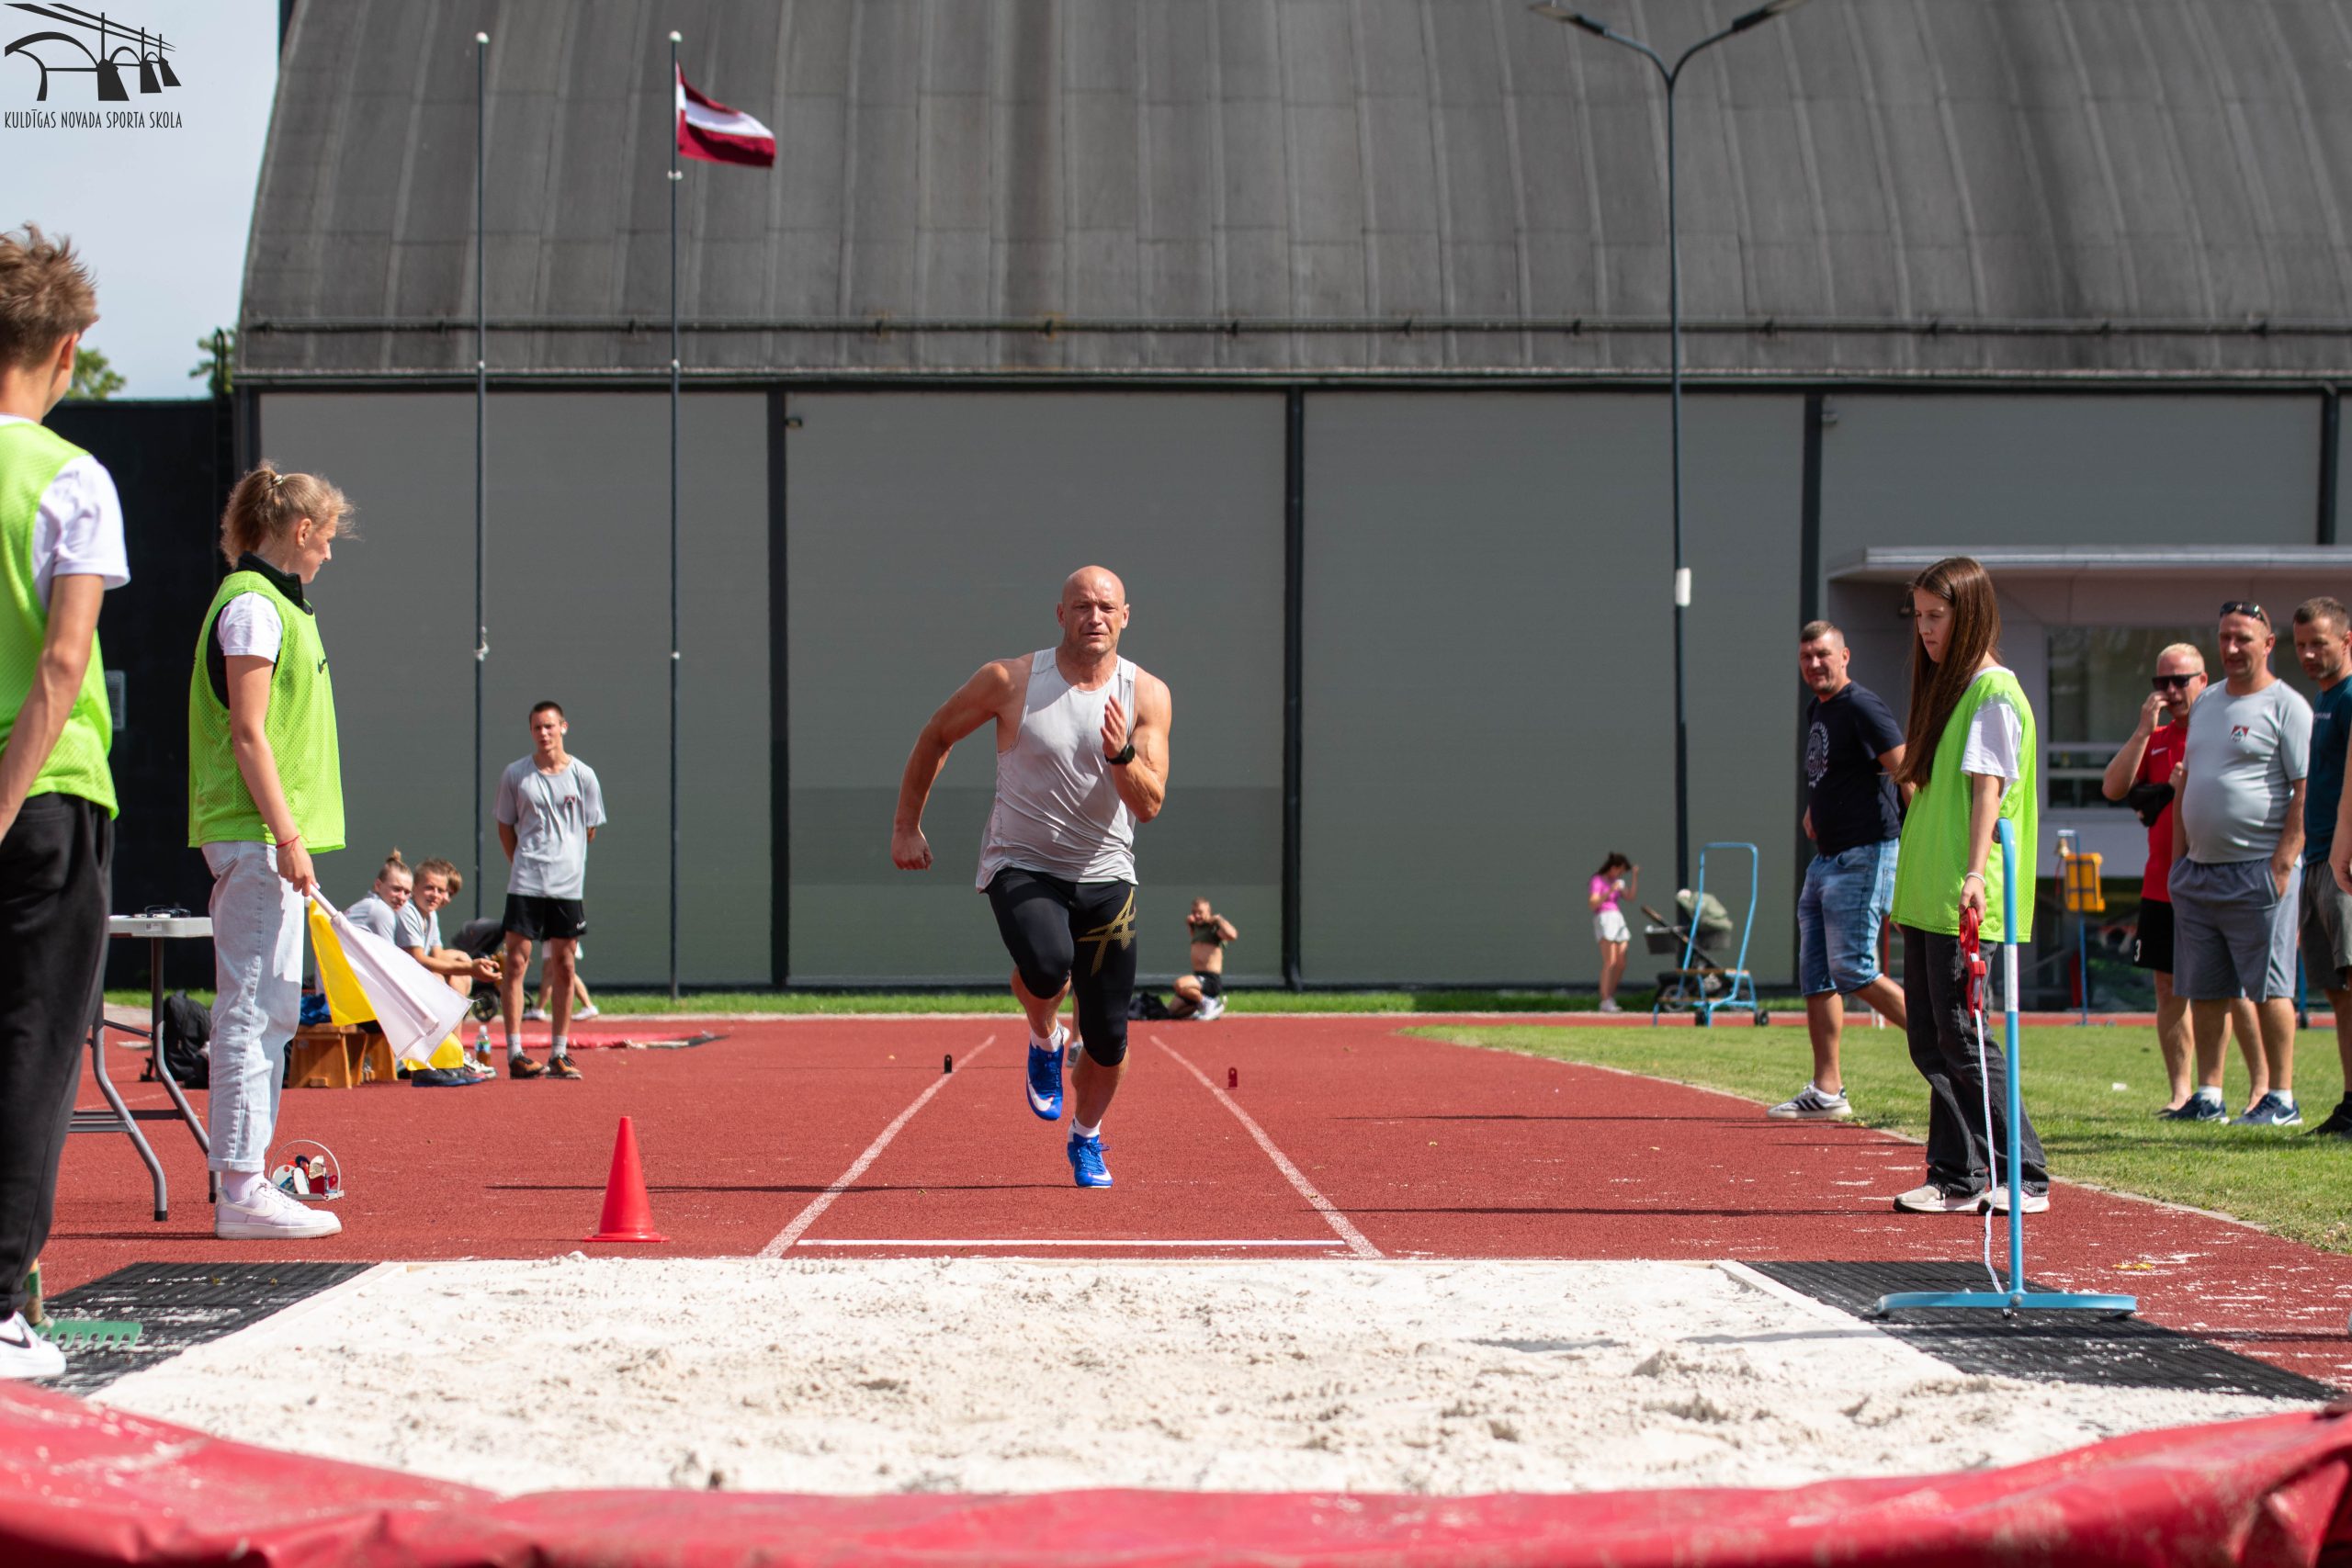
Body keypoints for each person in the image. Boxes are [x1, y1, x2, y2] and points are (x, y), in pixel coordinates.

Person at [891, 565, 1171, 1189]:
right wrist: (907, 825)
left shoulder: (1147, 694)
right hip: (1022, 862)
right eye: (1082, 606)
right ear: (1060, 614)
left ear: (1125, 617)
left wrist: (1122, 754)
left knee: (1109, 1038)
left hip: (1106, 873)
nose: (1094, 617)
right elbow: (937, 734)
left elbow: (1149, 803)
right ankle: (1045, 1035)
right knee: (1048, 963)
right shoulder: (1011, 680)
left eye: (1106, 607)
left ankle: (1086, 1135)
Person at [0, 224, 130, 1380]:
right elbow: (60, 664)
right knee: (32, 1050)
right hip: (41, 797)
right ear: (69, 348)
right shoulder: (73, 480)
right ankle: (1, 1305)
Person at [187, 461, 351, 1242]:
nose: (330, 552)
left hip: (267, 837)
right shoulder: (254, 606)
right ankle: (241, 1188)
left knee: (271, 1009)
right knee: (253, 1009)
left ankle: (245, 1179)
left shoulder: (274, 604)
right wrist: (287, 835)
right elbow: (248, 733)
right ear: (302, 529)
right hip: (257, 836)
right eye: (328, 537)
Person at [1886, 557, 2049, 1215]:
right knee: (1931, 1039)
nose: (1925, 629)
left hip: (1964, 893)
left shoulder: (1994, 693)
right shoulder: (1949, 693)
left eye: (1937, 616)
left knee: (1963, 1034)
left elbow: (1989, 790)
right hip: (1928, 892)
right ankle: (1957, 1174)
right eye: (1919, 616)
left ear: (1970, 614)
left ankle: (2025, 1174)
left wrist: (1976, 873)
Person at [2102, 644, 2260, 1116]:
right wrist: (2141, 730)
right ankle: (2182, 1092)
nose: (2170, 691)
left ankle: (2262, 1090)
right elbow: (2114, 787)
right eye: (2162, 683)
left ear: (2203, 680)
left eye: (2180, 681)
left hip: (2219, 877)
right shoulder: (2156, 738)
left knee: (2234, 988)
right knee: (2168, 987)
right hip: (2163, 883)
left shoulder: (2224, 730)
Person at [2170, 602, 2310, 1126]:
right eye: (2225, 637)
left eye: (2243, 639)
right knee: (2206, 988)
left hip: (2258, 869)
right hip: (2200, 870)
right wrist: (2179, 863)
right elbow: (2189, 783)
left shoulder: (2286, 706)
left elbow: (2305, 789)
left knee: (2270, 987)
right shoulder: (2207, 702)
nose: (2231, 648)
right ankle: (2209, 1095)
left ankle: (2282, 1097)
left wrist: (2283, 864)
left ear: (2268, 644)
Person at [1775, 621, 1909, 1121]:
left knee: (1852, 969)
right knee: (1817, 977)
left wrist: (1916, 845)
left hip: (1865, 854)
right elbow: (1831, 770)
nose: (1814, 664)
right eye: (1806, 656)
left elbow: (1906, 771)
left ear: (1845, 656)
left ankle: (1947, 1047)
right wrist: (1816, 809)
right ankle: (1827, 1090)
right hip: (1825, 860)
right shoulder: (1819, 709)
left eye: (1823, 654)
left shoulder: (1863, 706)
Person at [496, 701, 605, 1080]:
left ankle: (559, 1052)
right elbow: (505, 826)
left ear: (563, 727)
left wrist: (566, 859)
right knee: (515, 963)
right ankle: (515, 1053)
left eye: (549, 726)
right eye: (537, 727)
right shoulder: (516, 774)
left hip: (567, 887)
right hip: (525, 882)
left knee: (564, 964)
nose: (543, 733)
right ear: (531, 731)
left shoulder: (584, 776)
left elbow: (590, 829)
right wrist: (523, 863)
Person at [2295, 600, 2352, 1139]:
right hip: (2316, 857)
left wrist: (2343, 848)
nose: (2309, 654)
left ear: (2347, 641)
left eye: (2320, 643)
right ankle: (2351, 1100)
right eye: (2302, 645)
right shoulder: (2325, 698)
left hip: (2342, 858)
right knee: (2338, 990)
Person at [397, 856, 500, 1077]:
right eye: (429, 888)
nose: (437, 895)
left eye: (441, 891)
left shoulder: (430, 915)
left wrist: (468, 964)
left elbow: (438, 955)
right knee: (440, 978)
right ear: (414, 888)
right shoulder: (408, 912)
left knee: (459, 964)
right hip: (396, 983)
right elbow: (419, 959)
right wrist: (471, 968)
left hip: (409, 976)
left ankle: (455, 1052)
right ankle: (450, 1055)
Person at [1170, 898, 1235, 1021]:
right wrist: (1190, 925)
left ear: (1208, 912)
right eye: (1194, 912)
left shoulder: (1214, 928)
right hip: (1197, 978)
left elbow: (1233, 935)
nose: (1197, 915)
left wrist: (1219, 919)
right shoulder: (1197, 928)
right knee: (1172, 1012)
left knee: (1180, 984)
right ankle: (1202, 1005)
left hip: (1210, 980)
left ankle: (1211, 1004)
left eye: (1200, 912)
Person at [1589, 853, 1636, 1013]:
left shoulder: (1616, 881)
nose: (1620, 874)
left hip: (1617, 917)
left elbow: (1630, 897)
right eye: (1619, 871)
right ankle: (1605, 999)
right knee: (1610, 961)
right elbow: (1593, 903)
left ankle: (1610, 996)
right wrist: (1610, 891)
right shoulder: (1597, 880)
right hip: (1605, 917)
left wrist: (1635, 877)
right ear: (1613, 867)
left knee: (1621, 962)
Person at [345, 849, 412, 945]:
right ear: (378, 885)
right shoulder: (381, 910)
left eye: (407, 892)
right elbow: (388, 953)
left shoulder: (372, 904)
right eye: (396, 889)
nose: (402, 897)